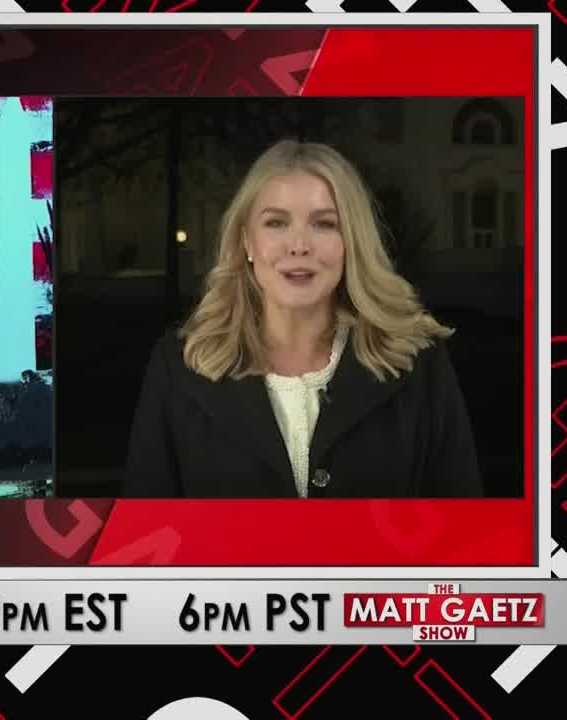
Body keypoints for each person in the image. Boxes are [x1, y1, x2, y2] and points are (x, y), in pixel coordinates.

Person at [123, 140, 483, 499]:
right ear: (247, 242)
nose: (298, 245)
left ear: (350, 241)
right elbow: (146, 539)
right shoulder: (179, 368)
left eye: (324, 224)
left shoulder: (420, 365)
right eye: (276, 223)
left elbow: (464, 536)